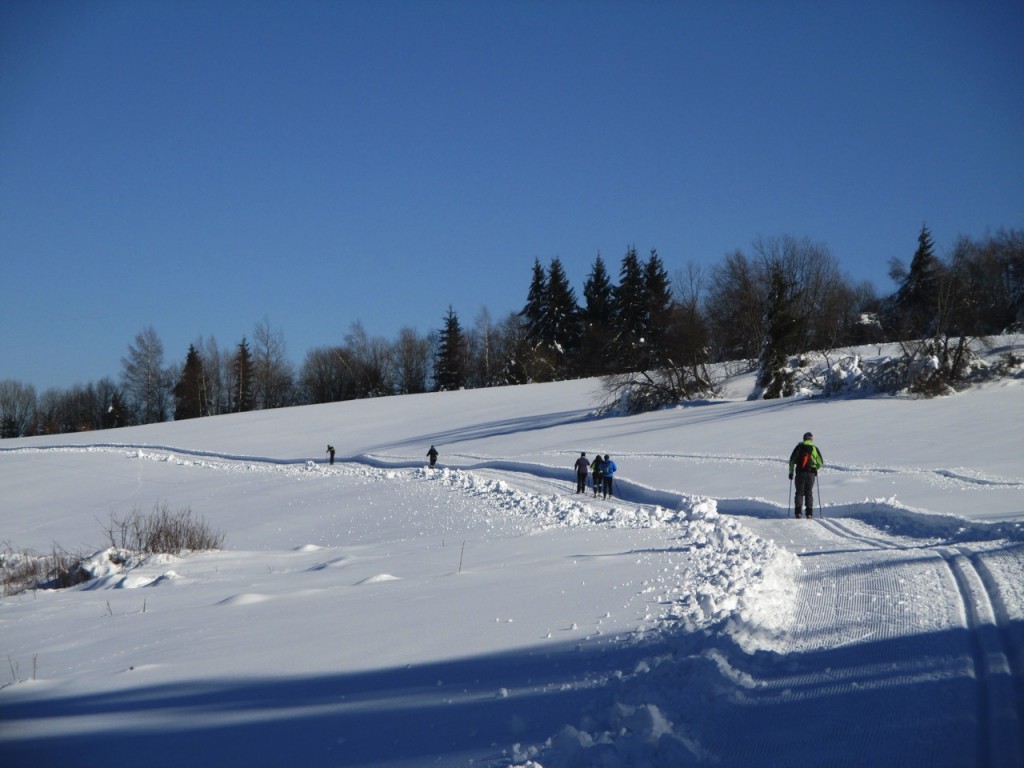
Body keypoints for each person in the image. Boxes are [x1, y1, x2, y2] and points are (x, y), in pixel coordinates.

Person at [788, 432, 824, 518]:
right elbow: (820, 462)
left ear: (804, 439)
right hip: (811, 473)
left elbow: (792, 461)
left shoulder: (798, 447)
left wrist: (791, 472)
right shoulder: (814, 448)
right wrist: (815, 468)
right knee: (809, 492)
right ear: (811, 439)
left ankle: (798, 512)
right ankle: (809, 513)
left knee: (799, 493)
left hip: (800, 473)